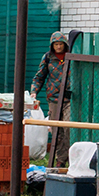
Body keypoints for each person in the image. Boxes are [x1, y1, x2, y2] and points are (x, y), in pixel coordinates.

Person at [31, 31, 74, 167]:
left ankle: (69, 158)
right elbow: (39, 76)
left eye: (61, 44)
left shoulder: (70, 56)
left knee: (67, 127)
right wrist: (34, 92)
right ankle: (60, 160)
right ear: (52, 45)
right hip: (53, 98)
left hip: (69, 98)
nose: (58, 47)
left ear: (65, 44)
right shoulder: (48, 57)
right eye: (56, 44)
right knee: (57, 130)